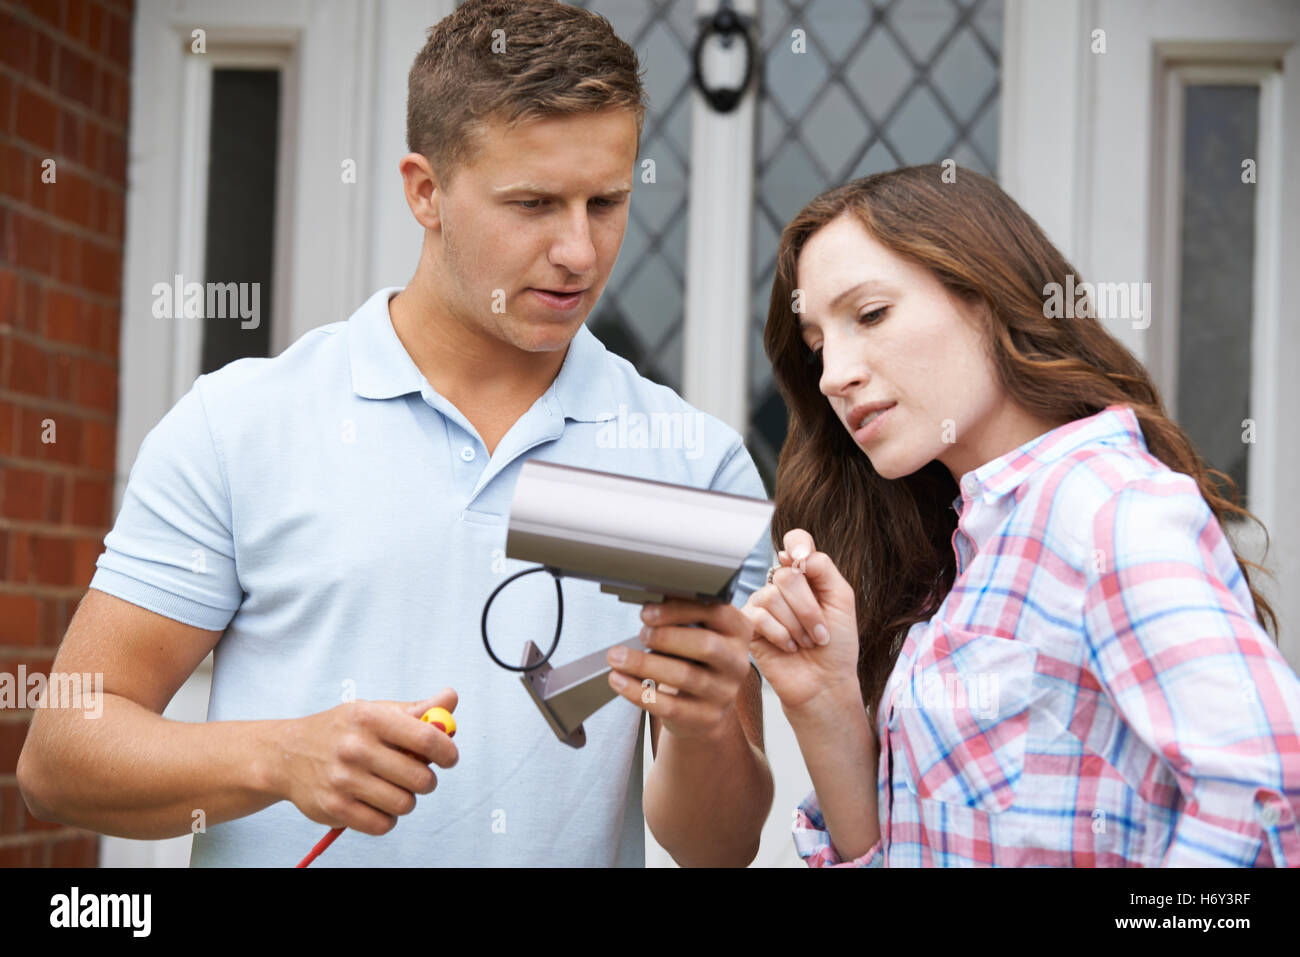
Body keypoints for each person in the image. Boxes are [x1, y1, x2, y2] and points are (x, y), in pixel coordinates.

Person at [17, 0, 774, 867]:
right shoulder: (245, 424)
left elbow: (721, 849)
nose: (579, 250)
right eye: (533, 203)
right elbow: (59, 757)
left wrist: (705, 722)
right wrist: (278, 756)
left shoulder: (687, 461)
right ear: (425, 191)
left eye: (605, 201)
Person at [743, 164, 1300, 867]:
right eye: (820, 348)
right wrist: (827, 707)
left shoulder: (1108, 512)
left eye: (872, 314)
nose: (833, 375)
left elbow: (1269, 785)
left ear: (990, 294)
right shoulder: (960, 556)